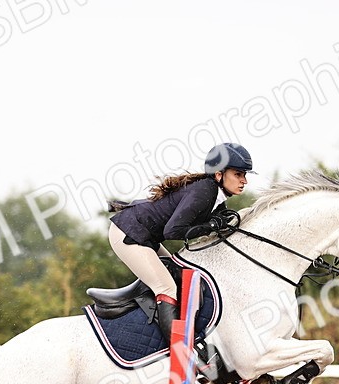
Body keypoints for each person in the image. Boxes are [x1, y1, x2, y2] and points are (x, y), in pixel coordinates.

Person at [108, 142, 253, 344]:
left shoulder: (216, 196)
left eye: (245, 175)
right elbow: (173, 230)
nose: (244, 180)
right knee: (167, 288)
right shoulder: (205, 191)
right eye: (238, 174)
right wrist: (211, 225)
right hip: (128, 233)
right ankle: (181, 350)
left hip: (145, 235)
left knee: (181, 276)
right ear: (219, 174)